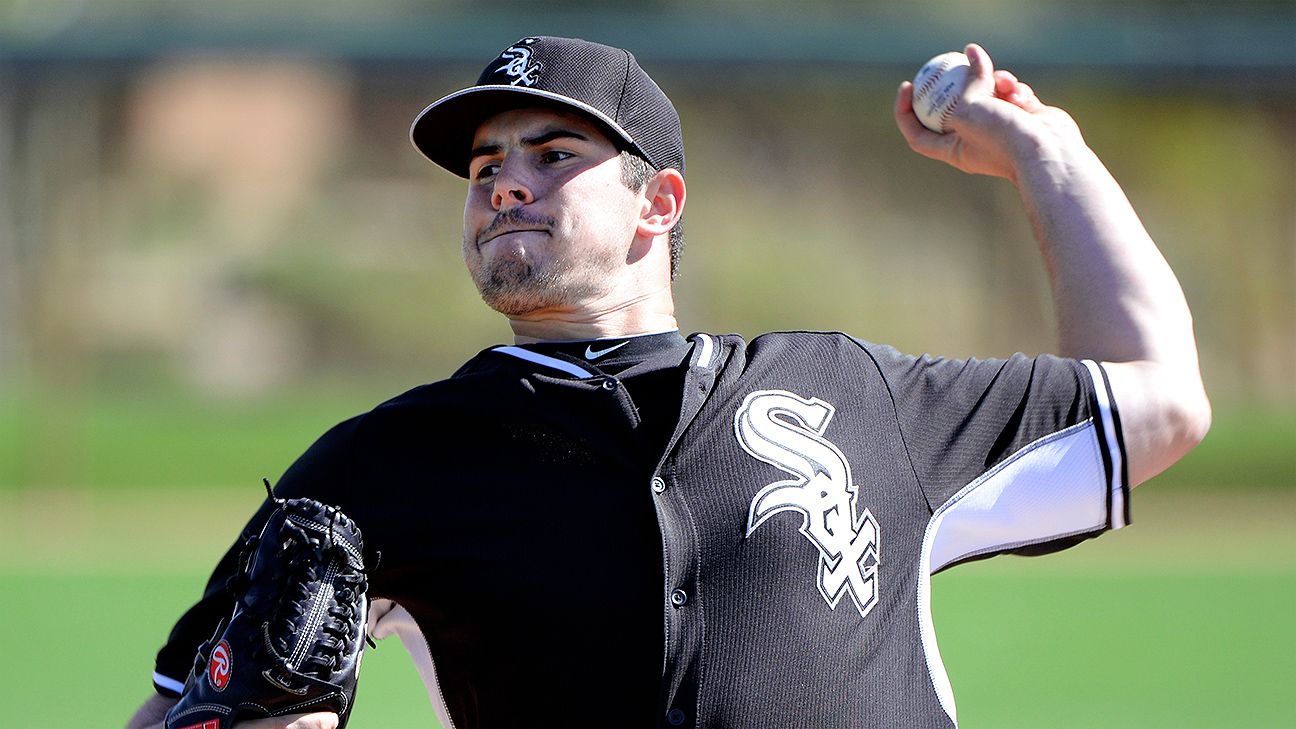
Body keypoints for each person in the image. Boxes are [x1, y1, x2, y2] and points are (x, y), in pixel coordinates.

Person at [127, 36, 1210, 729]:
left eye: (553, 155)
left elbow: (1159, 401)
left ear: (660, 205)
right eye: (484, 167)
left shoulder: (846, 393)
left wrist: (1044, 153)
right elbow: (183, 708)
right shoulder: (382, 467)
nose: (507, 183)